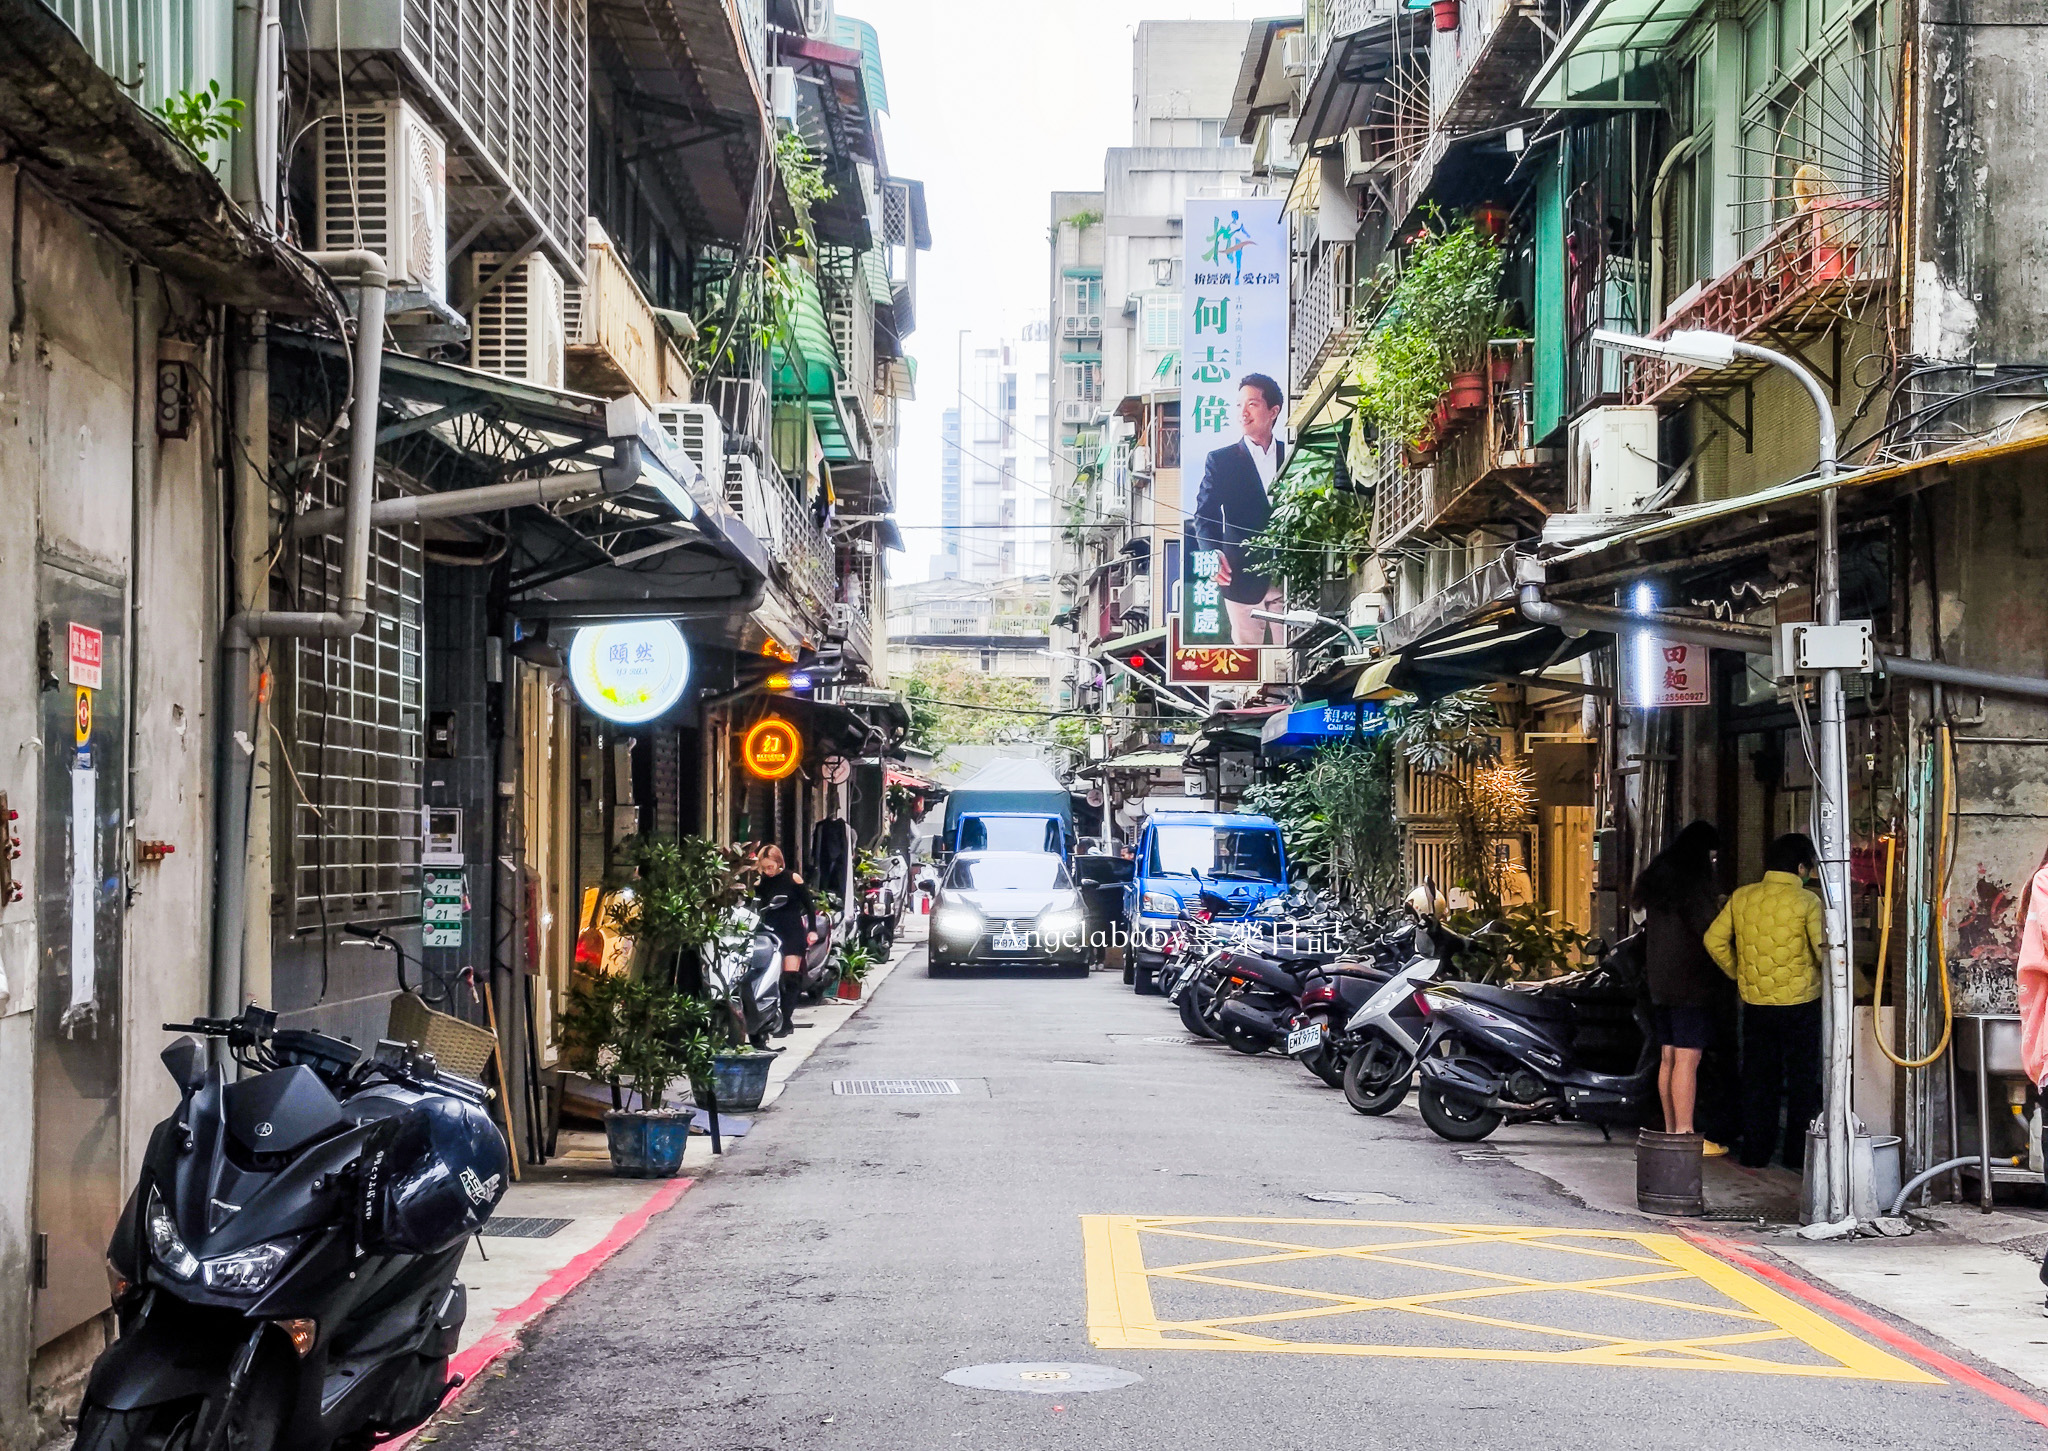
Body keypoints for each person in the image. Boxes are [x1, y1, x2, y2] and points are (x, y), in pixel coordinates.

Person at [1704, 832, 1825, 1170]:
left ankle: (1756, 1152)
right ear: (1802, 867)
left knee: (1759, 1079)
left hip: (1756, 1004)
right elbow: (1823, 951)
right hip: (1801, 1004)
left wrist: (1739, 972)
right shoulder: (1807, 902)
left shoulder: (1743, 897)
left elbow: (1713, 940)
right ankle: (1797, 1155)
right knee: (1802, 1081)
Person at [1634, 821, 1727, 1155]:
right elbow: (1710, 932)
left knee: (1669, 1057)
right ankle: (1686, 1134)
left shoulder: (1660, 882)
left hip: (1660, 983)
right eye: (1712, 859)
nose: (1714, 865)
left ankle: (1673, 1131)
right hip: (1690, 983)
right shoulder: (1694, 889)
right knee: (1688, 1058)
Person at [1191, 374, 1286, 647]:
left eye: (1252, 404)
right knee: (1248, 664)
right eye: (1239, 405)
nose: (1243, 413)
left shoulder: (1290, 454)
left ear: (1273, 411)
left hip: (1290, 574)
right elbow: (1204, 514)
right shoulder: (1222, 461)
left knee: (1292, 658)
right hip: (1239, 575)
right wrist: (1210, 553)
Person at [753, 844, 817, 1038]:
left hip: (791, 931)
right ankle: (770, 1016)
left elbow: (809, 905)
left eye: (770, 867)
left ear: (778, 863)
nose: (768, 871)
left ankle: (786, 1020)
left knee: (790, 976)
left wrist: (812, 930)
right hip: (770, 932)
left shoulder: (792, 878)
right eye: (764, 868)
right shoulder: (761, 884)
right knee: (770, 977)